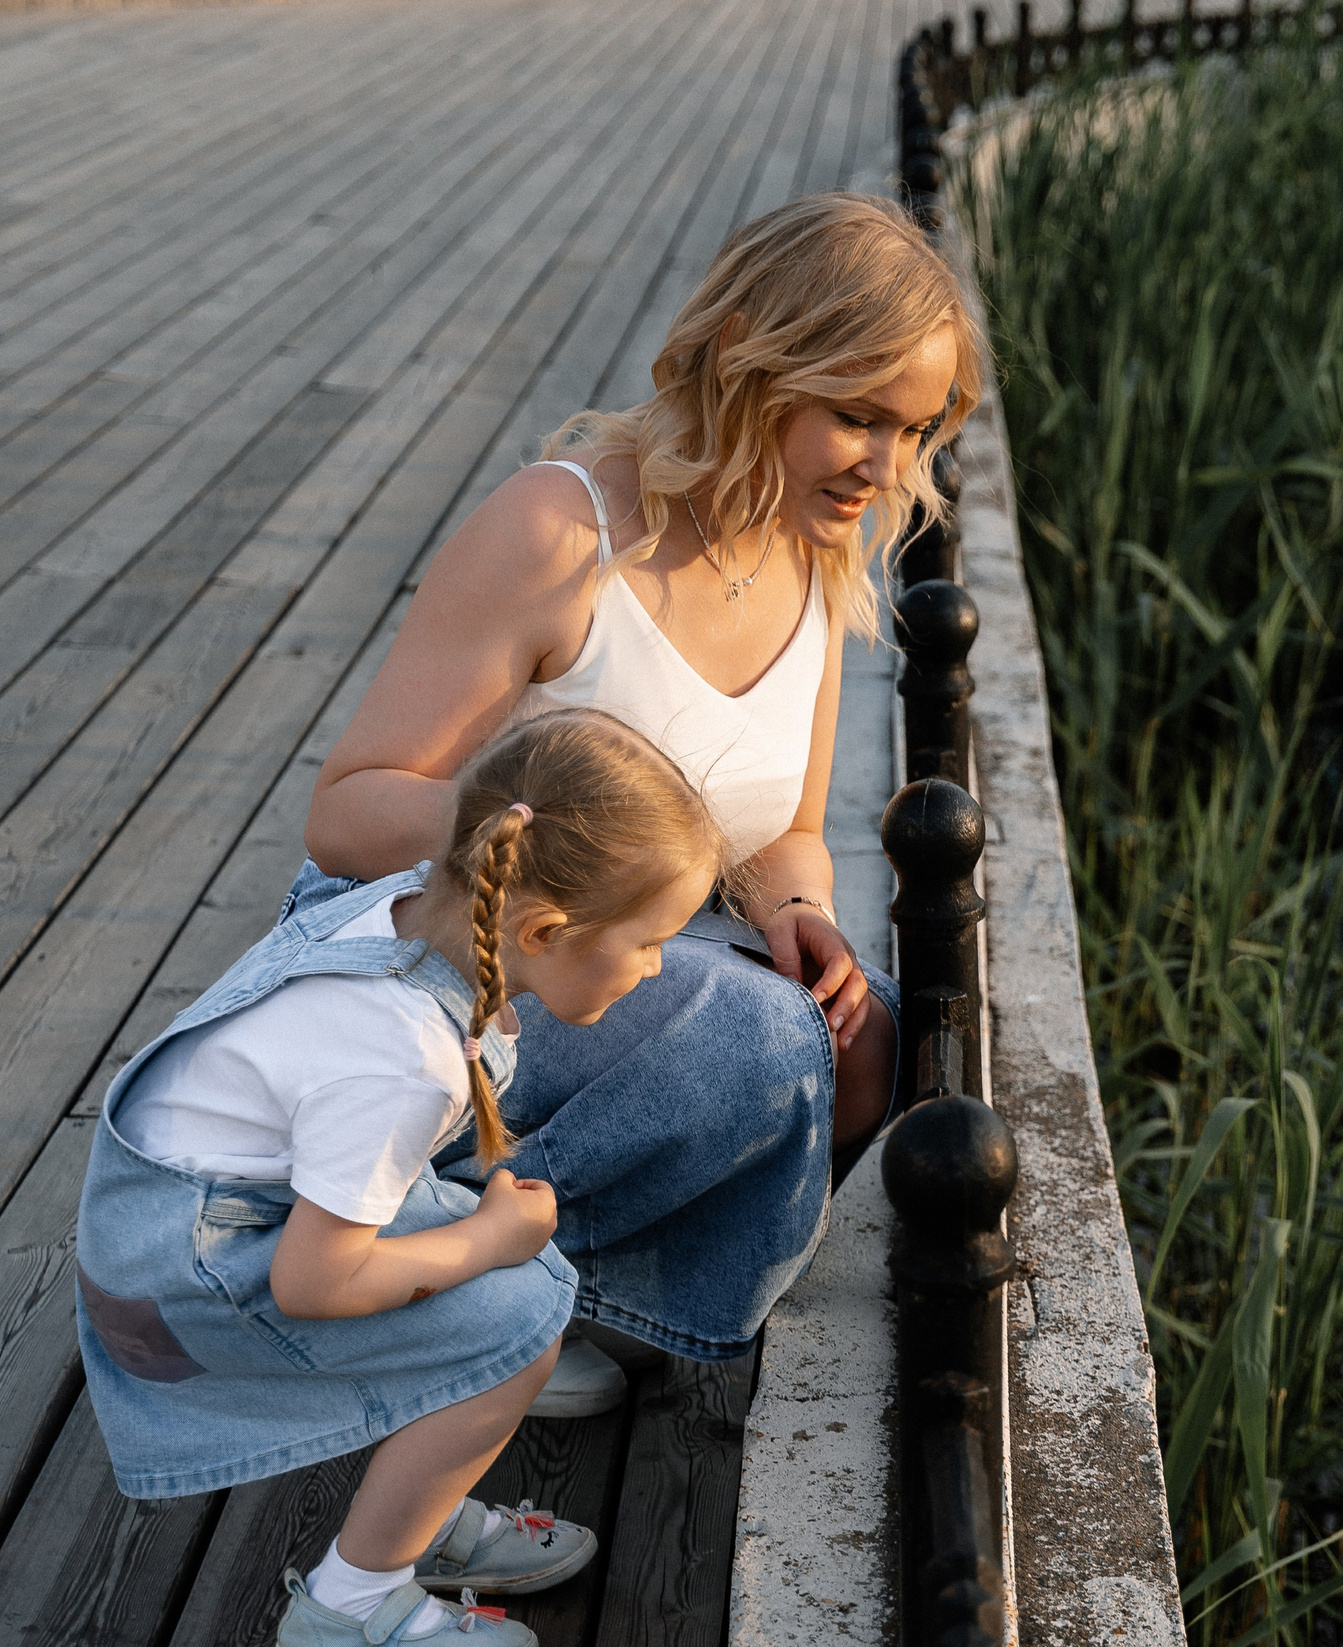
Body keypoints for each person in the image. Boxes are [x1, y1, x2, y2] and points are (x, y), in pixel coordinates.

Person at [295, 191, 982, 1411]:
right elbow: (347, 815)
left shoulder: (814, 559)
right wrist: (566, 844)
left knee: (859, 1035)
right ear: (744, 365)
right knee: (758, 1042)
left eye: (914, 430)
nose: (884, 469)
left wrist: (800, 909)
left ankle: (570, 1281)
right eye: (855, 418)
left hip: (630, 950)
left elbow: (783, 831)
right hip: (452, 958)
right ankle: (425, 1274)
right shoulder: (562, 532)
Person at [77, 710, 725, 1645]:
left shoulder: (412, 903)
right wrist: (484, 1241)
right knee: (522, 1309)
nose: (659, 965)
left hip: (177, 1224)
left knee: (495, 1272)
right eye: (651, 939)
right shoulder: (402, 1054)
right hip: (183, 1280)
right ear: (542, 928)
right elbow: (314, 1283)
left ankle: (414, 1509)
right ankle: (350, 1607)